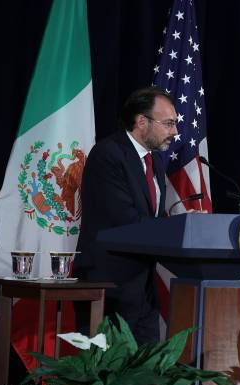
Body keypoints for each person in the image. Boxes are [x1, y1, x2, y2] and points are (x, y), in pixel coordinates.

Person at [74, 86, 177, 344]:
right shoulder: (108, 155)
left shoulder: (155, 163)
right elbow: (125, 220)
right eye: (168, 124)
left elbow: (150, 218)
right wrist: (177, 232)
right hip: (108, 288)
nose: (175, 132)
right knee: (108, 377)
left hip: (143, 288)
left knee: (145, 375)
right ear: (141, 121)